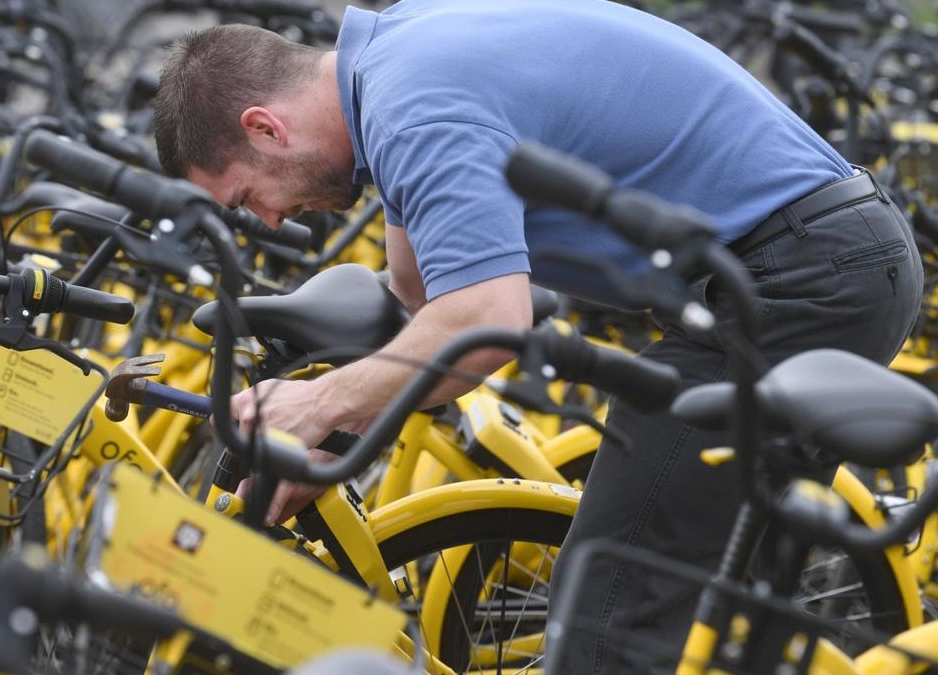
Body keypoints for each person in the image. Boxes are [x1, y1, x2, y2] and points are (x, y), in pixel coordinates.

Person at [151, 0, 924, 671]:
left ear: (265, 127)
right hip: (819, 263)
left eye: (249, 196)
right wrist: (335, 443)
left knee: (607, 606)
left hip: (803, 281)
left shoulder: (411, 102)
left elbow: (487, 322)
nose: (271, 222)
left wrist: (318, 401)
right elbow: (426, 307)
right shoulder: (395, 61)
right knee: (704, 609)